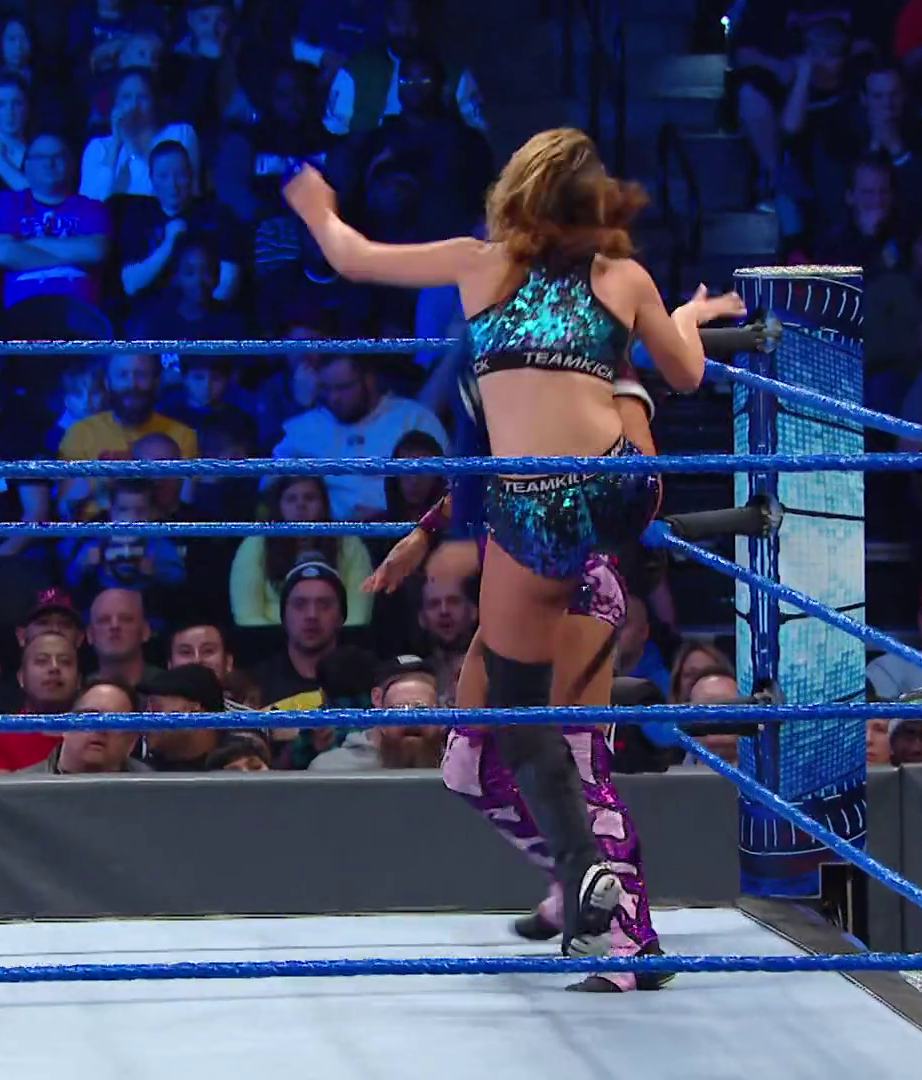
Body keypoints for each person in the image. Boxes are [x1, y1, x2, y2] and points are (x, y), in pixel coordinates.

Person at [281, 129, 739, 957]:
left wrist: (316, 207)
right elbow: (690, 375)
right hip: (623, 485)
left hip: (535, 507)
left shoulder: (479, 264)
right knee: (620, 401)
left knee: (517, 709)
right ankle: (580, 873)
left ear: (515, 195)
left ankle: (583, 872)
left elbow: (350, 257)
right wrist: (687, 318)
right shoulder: (624, 276)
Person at [365, 366, 671, 990]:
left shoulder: (585, 406)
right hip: (510, 596)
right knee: (467, 766)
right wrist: (423, 535)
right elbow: (482, 483)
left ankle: (630, 943)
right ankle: (577, 876)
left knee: (574, 762)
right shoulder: (510, 400)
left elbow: (638, 489)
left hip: (572, 590)